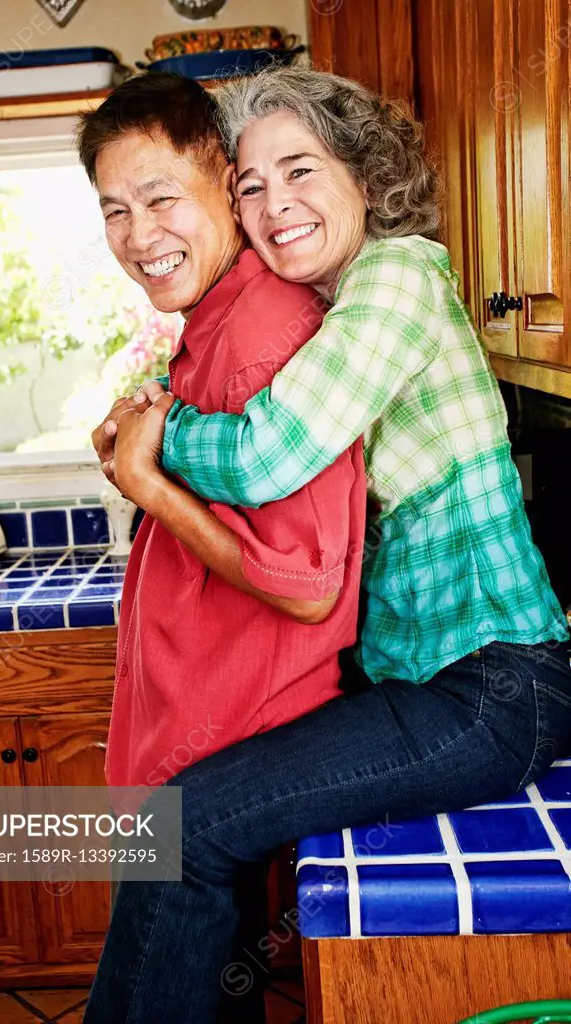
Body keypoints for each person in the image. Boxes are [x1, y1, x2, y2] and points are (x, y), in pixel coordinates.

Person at [87, 67, 571, 1024]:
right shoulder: (334, 308)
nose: (275, 205)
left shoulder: (399, 274)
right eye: (252, 185)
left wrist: (149, 434)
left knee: (184, 832)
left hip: (495, 691)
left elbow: (274, 451)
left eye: (300, 171)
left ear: (364, 175)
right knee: (192, 826)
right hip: (438, 687)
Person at [76, 71, 367, 1019]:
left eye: (162, 197)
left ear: (223, 178)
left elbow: (306, 582)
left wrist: (148, 484)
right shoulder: (212, 330)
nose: (138, 234)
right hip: (196, 746)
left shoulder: (260, 331)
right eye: (115, 210)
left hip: (218, 753)